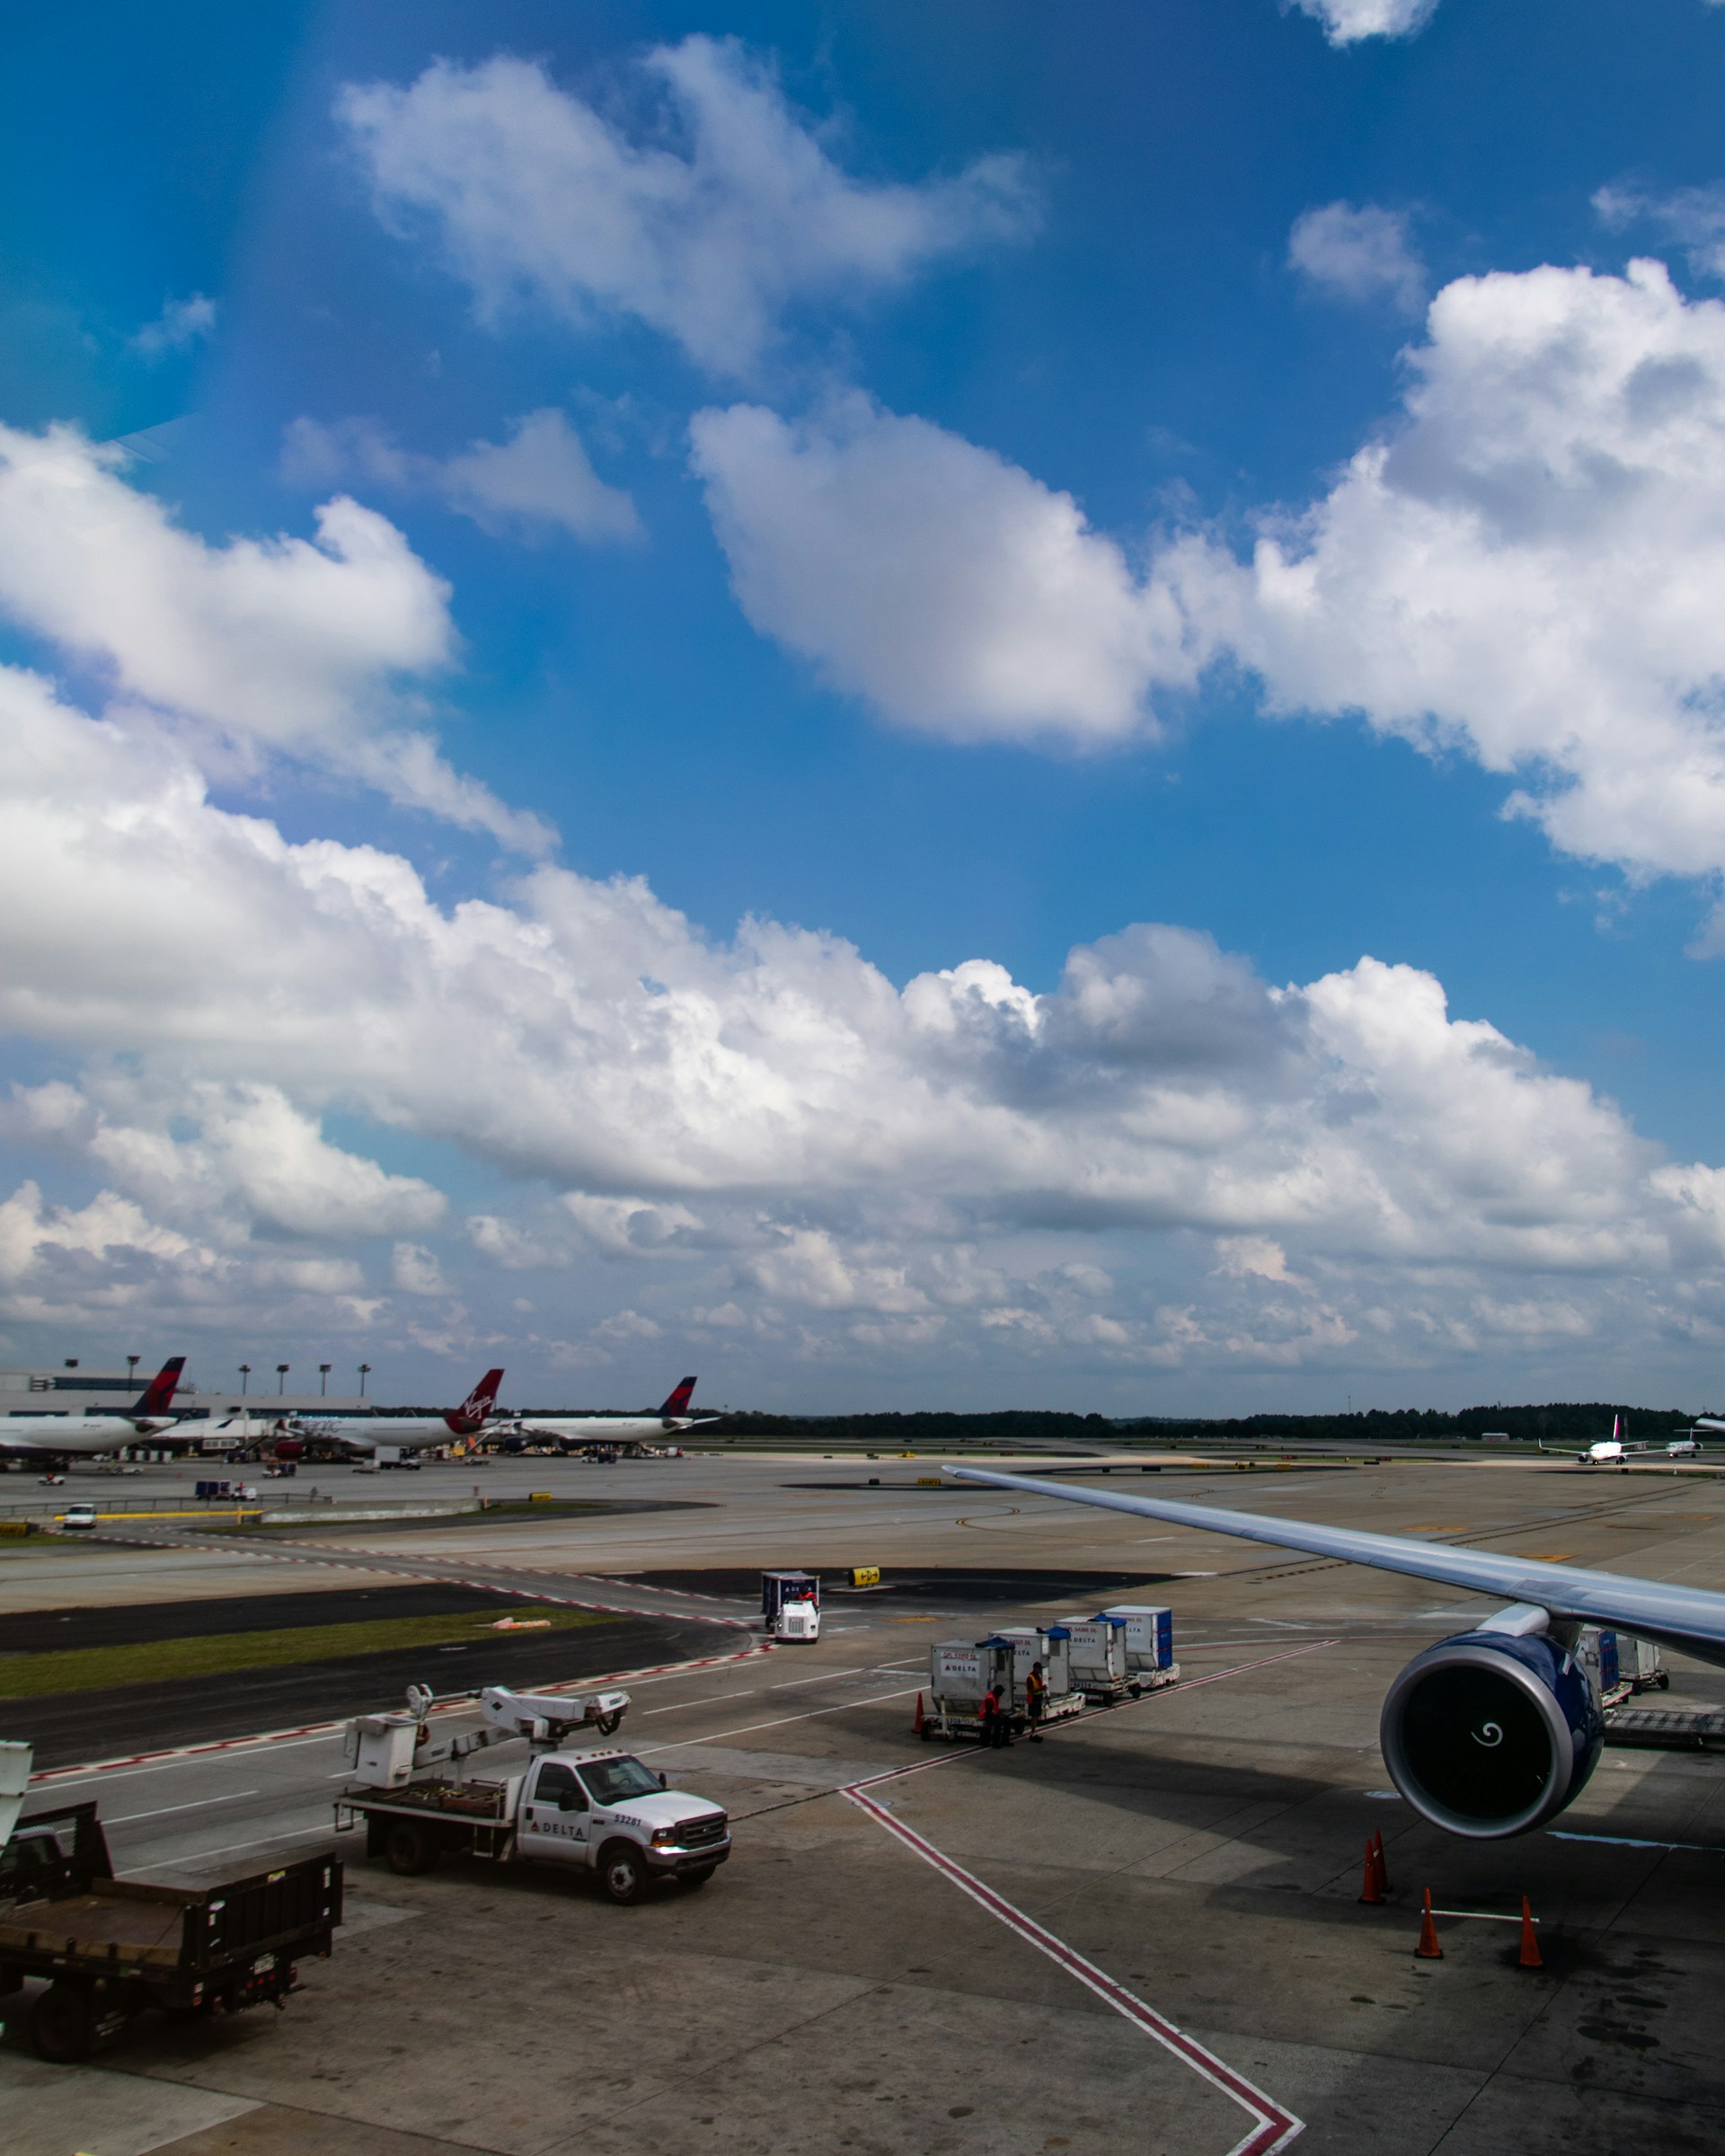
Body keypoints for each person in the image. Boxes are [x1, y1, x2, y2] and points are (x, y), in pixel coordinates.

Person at [1025, 1659, 1047, 1743]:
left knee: (1037, 1716)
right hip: (1033, 1699)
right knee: (1034, 1717)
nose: (1040, 1671)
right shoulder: (1030, 1678)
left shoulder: (1038, 1676)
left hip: (1038, 1698)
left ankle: (1034, 1732)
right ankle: (1033, 1733)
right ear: (1035, 1668)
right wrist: (1041, 1689)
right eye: (1039, 1669)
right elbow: (1030, 1691)